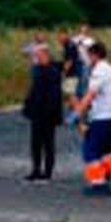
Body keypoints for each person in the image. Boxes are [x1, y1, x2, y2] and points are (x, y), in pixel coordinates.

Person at [71, 41, 111, 192]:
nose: (88, 59)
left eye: (89, 55)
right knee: (105, 149)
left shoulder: (99, 71)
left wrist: (77, 113)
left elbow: (91, 94)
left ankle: (98, 183)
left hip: (104, 117)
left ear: (94, 55)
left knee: (90, 149)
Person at [22, 45, 63, 181]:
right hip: (36, 113)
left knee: (48, 143)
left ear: (46, 55)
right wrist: (28, 106)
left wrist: (50, 112)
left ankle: (47, 172)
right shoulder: (37, 71)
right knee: (36, 143)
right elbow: (33, 91)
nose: (37, 58)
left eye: (39, 56)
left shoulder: (53, 72)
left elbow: (54, 95)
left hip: (48, 114)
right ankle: (36, 169)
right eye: (36, 56)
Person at [71, 24, 95, 96]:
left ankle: (84, 98)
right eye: (82, 30)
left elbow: (92, 51)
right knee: (76, 82)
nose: (83, 32)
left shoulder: (91, 41)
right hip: (76, 64)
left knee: (85, 81)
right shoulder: (75, 39)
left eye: (85, 30)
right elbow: (72, 45)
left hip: (86, 64)